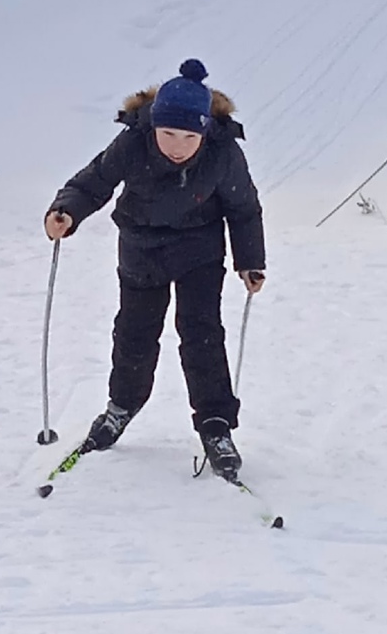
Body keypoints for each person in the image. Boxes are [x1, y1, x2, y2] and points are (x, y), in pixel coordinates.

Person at [45, 59, 266, 478]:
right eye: (167, 134)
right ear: (153, 126)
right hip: (141, 249)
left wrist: (250, 261)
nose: (177, 145)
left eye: (189, 136)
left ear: (204, 131)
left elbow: (243, 208)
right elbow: (93, 182)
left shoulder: (223, 153)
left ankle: (216, 425)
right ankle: (121, 406)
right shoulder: (134, 143)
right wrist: (66, 212)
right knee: (134, 332)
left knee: (202, 334)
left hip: (200, 252)